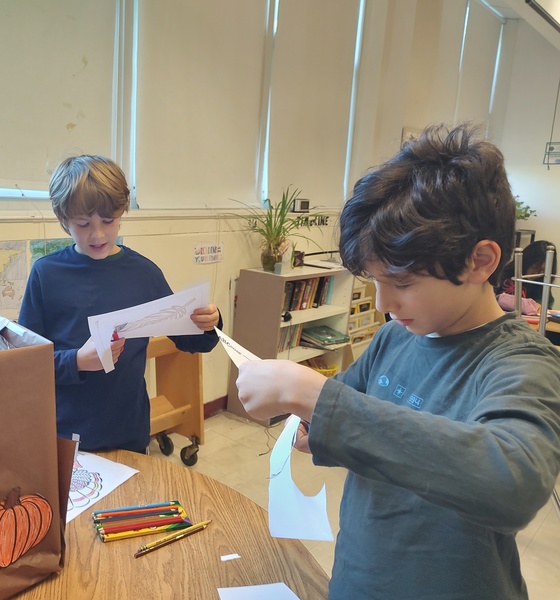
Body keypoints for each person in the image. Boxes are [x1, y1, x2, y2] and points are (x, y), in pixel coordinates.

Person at [235, 124, 560, 599]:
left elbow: (512, 482)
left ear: (481, 261)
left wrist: (311, 395)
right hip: (359, 577)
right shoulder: (394, 337)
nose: (385, 302)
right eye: (374, 281)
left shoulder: (522, 363)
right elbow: (350, 407)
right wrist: (308, 422)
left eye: (403, 283)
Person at [18, 155, 221, 454]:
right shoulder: (46, 274)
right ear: (64, 221)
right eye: (84, 224)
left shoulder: (144, 274)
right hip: (66, 432)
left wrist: (210, 322)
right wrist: (76, 361)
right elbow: (25, 362)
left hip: (129, 429)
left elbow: (193, 341)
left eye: (108, 221)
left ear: (122, 212)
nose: (97, 234)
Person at [495, 239, 556, 316]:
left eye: (542, 271)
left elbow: (541, 309)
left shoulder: (541, 283)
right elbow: (490, 297)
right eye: (535, 267)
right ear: (527, 260)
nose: (536, 274)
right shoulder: (505, 272)